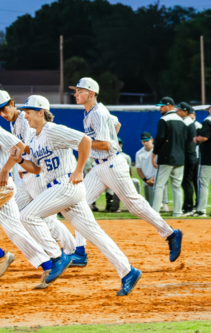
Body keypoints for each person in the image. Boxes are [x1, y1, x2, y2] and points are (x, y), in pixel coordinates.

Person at [11, 95, 142, 295]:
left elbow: (85, 141)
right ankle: (128, 271)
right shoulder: (35, 139)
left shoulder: (53, 130)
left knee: (27, 215)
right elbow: (36, 169)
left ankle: (57, 257)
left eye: (28, 112)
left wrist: (79, 169)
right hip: (59, 188)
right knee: (95, 234)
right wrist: (20, 161)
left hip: (67, 184)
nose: (25, 115)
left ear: (40, 112)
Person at [71, 78, 182, 261]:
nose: (75, 94)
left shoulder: (97, 113)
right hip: (100, 167)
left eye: (80, 91)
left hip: (112, 164)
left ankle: (171, 234)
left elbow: (106, 144)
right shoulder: (93, 112)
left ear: (91, 94)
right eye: (76, 91)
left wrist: (81, 142)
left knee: (135, 205)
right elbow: (116, 124)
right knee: (79, 203)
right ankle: (80, 252)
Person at [0, 90, 78, 268]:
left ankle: (71, 251)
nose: (2, 114)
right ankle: (55, 254)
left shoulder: (23, 122)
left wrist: (9, 167)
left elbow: (23, 148)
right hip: (26, 175)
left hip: (36, 174)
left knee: (45, 218)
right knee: (21, 215)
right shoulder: (15, 122)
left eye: (4, 109)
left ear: (11, 103)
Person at [150, 97, 186, 217]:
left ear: (169, 106)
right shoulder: (182, 120)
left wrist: (154, 153)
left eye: (162, 106)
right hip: (180, 158)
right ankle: (177, 211)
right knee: (176, 186)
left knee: (159, 185)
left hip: (166, 157)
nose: (160, 108)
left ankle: (155, 212)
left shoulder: (164, 119)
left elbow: (160, 138)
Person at [135, 132, 169, 210]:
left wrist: (156, 178)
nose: (145, 143)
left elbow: (163, 167)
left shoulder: (159, 151)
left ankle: (164, 203)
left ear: (152, 140)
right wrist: (146, 180)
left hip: (159, 178)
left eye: (147, 140)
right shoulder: (139, 153)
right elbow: (138, 169)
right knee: (150, 206)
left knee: (164, 182)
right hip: (147, 181)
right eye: (143, 141)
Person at [177, 102, 200, 216]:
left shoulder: (186, 123)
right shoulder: (191, 123)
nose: (177, 112)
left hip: (188, 156)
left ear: (185, 111)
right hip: (192, 156)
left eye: (179, 110)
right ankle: (190, 206)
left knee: (186, 181)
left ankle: (188, 207)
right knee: (189, 181)